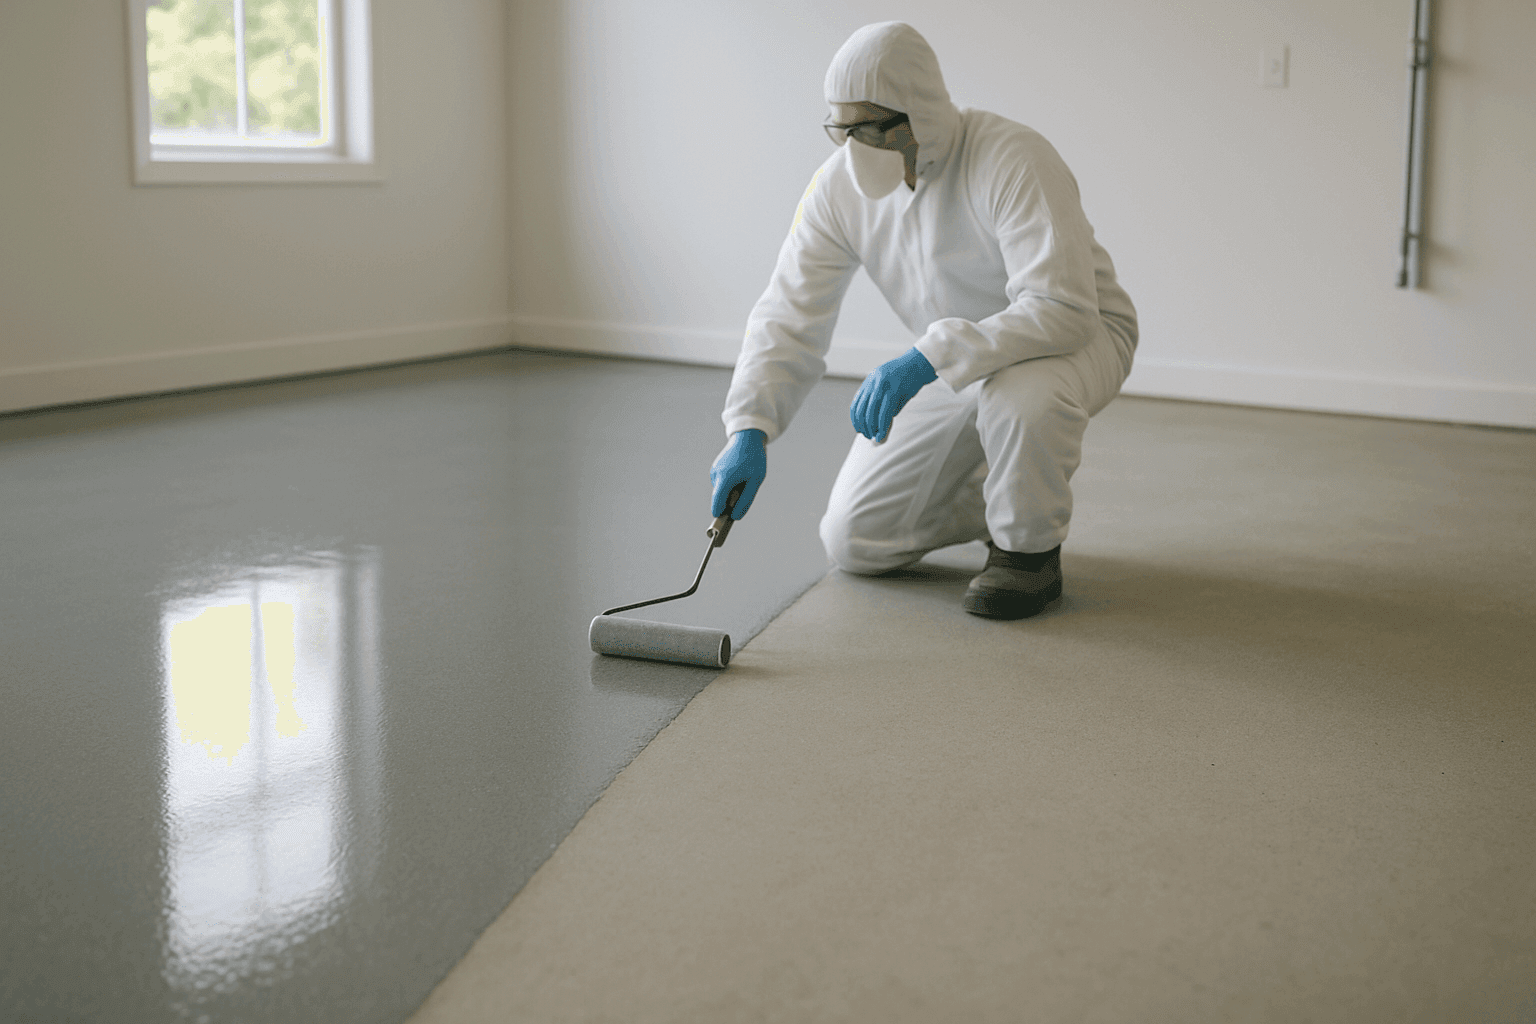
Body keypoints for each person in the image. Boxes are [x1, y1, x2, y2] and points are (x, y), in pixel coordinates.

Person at [710, 21, 1138, 620]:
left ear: (918, 114)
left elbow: (1062, 307)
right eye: (842, 128)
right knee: (855, 539)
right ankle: (1009, 494)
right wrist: (748, 426)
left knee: (1020, 399)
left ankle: (1028, 554)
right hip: (957, 358)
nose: (853, 147)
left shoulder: (1010, 157)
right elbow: (789, 309)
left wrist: (924, 358)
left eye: (869, 127)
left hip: (1077, 337)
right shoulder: (836, 191)